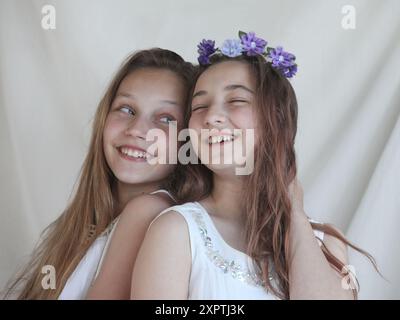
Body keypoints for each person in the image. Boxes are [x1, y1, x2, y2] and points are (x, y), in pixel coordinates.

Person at [131, 32, 377, 300]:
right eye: (199, 106)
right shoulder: (176, 230)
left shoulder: (328, 241)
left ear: (278, 120)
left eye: (236, 100)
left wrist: (294, 211)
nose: (212, 116)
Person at [5, 48, 195, 299]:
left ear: (188, 140)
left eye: (165, 119)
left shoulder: (148, 212)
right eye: (127, 109)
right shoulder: (93, 218)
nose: (137, 130)